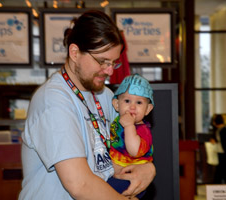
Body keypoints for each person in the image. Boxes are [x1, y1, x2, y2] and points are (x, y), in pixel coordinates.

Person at [19, 10, 155, 200]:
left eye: (114, 63)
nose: (109, 71)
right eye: (102, 61)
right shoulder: (53, 100)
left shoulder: (106, 96)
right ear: (74, 52)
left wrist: (149, 168)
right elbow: (80, 184)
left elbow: (121, 154)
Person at [107, 74, 154, 198]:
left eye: (139, 102)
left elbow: (134, 151)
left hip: (130, 179)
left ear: (147, 109)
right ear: (117, 104)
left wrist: (129, 127)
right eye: (127, 101)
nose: (132, 107)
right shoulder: (117, 120)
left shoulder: (142, 130)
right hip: (115, 167)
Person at [208, 114, 226, 184]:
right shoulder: (225, 129)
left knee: (220, 174)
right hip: (223, 154)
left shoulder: (223, 130)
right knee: (220, 174)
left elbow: (225, 144)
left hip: (224, 155)